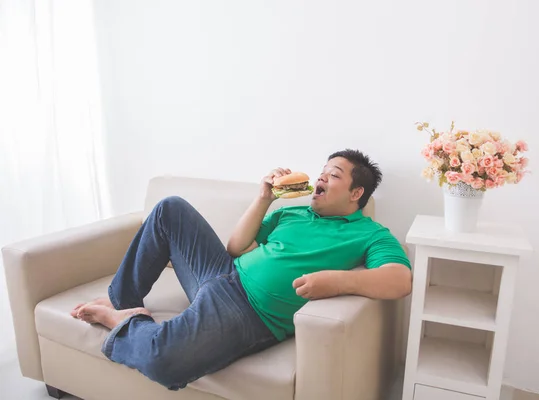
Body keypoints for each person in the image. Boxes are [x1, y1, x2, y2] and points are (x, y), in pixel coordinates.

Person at [71, 149, 412, 390]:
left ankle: (122, 322)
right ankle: (121, 301)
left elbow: (399, 280)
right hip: (222, 272)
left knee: (165, 361)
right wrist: (265, 197)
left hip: (248, 312)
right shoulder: (290, 212)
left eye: (333, 175)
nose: (321, 176)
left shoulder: (370, 234)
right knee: (169, 209)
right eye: (322, 170)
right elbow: (236, 247)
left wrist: (335, 281)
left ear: (357, 193)